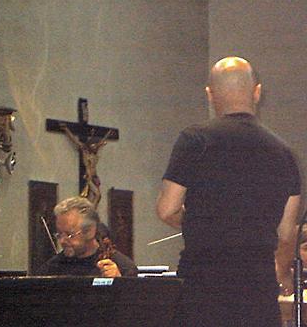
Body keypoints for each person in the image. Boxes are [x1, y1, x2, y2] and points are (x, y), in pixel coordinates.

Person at [155, 57, 301, 327]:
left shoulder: (194, 140)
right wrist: (280, 273)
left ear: (210, 95)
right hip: (258, 287)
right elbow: (286, 231)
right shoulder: (285, 153)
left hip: (202, 284)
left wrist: (200, 222)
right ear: (257, 92)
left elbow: (167, 209)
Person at [37, 196, 138, 277]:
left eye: (69, 235)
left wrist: (120, 284)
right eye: (59, 234)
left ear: (90, 231)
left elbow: (132, 301)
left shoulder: (122, 267)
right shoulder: (52, 268)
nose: (62, 241)